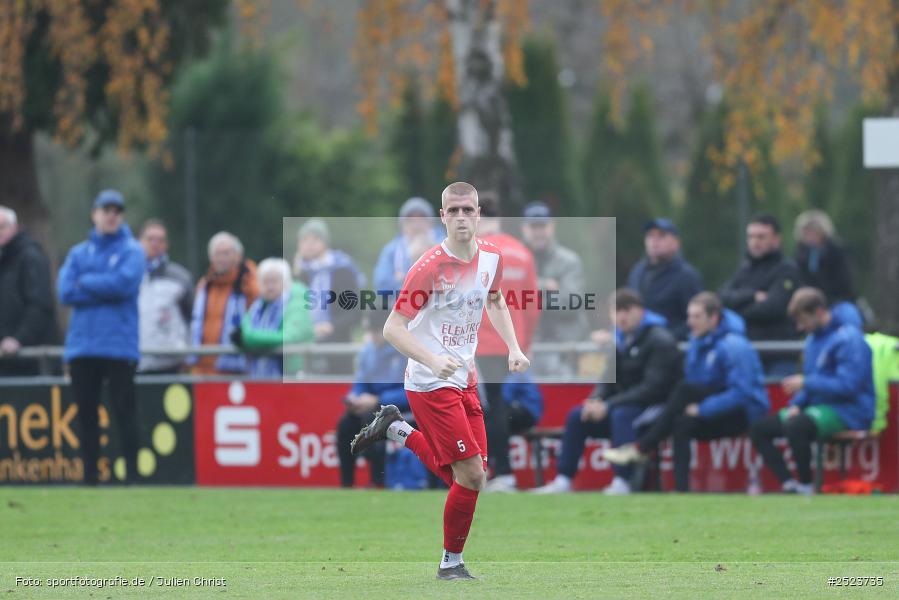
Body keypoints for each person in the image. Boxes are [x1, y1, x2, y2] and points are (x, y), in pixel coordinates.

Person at [350, 182, 530, 580]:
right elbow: (392, 328)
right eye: (455, 211)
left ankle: (396, 429)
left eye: (469, 210)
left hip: (465, 378)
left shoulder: (491, 258)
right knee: (470, 476)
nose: (462, 217)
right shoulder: (429, 266)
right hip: (430, 382)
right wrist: (433, 359)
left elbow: (495, 299)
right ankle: (451, 564)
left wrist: (514, 346)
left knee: (471, 477)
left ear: (479, 214)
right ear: (442, 216)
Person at [605, 292, 769, 492]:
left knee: (683, 390)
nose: (690, 322)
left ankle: (642, 448)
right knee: (680, 422)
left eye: (696, 317)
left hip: (743, 413)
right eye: (689, 316)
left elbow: (742, 394)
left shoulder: (735, 345)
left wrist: (702, 409)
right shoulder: (697, 342)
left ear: (714, 317)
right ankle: (682, 491)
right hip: (713, 407)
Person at [535, 289, 681, 495]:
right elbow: (607, 379)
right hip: (623, 404)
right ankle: (563, 479)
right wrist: (595, 400)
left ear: (640, 311)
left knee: (621, 416)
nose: (621, 316)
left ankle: (623, 481)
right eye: (616, 310)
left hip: (654, 407)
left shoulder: (660, 340)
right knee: (578, 416)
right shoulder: (620, 340)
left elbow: (653, 388)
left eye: (627, 310)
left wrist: (609, 405)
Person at [57, 190, 145, 485]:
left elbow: (123, 285)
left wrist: (87, 281)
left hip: (119, 345)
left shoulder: (133, 251)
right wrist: (101, 285)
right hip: (83, 345)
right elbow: (64, 291)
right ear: (94, 213)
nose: (111, 215)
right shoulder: (78, 252)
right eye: (106, 210)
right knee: (86, 415)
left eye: (117, 211)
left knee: (124, 413)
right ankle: (90, 476)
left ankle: (132, 476)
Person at [750, 288, 874, 495]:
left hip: (850, 410)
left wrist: (807, 383)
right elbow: (811, 382)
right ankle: (790, 485)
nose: (800, 327)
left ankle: (807, 487)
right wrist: (797, 405)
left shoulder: (850, 338)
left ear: (818, 312)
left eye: (803, 320)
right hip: (818, 406)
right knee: (759, 429)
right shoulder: (813, 340)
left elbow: (849, 385)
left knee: (796, 426)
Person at [475, 194, 539, 492]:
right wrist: (522, 343)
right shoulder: (521, 252)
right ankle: (499, 471)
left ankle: (503, 472)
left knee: (491, 407)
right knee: (496, 405)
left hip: (484, 340)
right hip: (511, 341)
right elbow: (532, 303)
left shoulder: (478, 251)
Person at [335, 307, 407, 488]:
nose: (373, 337)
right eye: (370, 332)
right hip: (372, 407)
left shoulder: (405, 351)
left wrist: (378, 400)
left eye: (376, 332)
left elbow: (411, 393)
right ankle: (346, 483)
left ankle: (378, 482)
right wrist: (355, 398)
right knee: (345, 425)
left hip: (400, 410)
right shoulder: (368, 352)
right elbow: (361, 382)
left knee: (373, 422)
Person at [720, 214, 800, 375]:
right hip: (748, 356)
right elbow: (720, 299)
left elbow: (773, 308)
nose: (755, 242)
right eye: (751, 236)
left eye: (761, 237)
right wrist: (751, 296)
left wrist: (737, 308)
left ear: (777, 239)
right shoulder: (744, 270)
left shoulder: (787, 270)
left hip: (779, 355)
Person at [520, 201, 587, 378]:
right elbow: (506, 300)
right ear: (524, 229)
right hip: (527, 348)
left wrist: (527, 298)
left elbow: (572, 302)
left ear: (552, 227)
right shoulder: (517, 259)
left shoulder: (569, 261)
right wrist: (543, 286)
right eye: (533, 227)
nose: (538, 232)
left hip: (563, 349)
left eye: (542, 226)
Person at [293, 219, 365, 375]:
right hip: (305, 344)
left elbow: (354, 312)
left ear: (325, 242)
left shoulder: (342, 269)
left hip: (336, 345)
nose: (309, 245)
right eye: (305, 240)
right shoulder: (301, 273)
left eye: (315, 239)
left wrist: (331, 326)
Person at [231, 258, 314, 378]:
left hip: (292, 374)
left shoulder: (297, 304)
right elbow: (243, 329)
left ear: (286, 282)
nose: (270, 287)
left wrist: (249, 339)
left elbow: (288, 338)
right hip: (260, 375)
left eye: (274, 281)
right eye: (265, 281)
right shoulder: (257, 306)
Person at [189, 232, 258, 375]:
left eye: (226, 253)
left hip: (236, 370)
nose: (222, 259)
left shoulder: (249, 284)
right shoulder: (205, 285)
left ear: (238, 256)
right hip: (203, 368)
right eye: (217, 254)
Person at [0, 205, 57, 376]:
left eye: (2, 227)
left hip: (30, 359)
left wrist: (19, 338)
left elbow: (40, 304)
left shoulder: (31, 257)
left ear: (15, 227)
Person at [626, 218, 703, 340]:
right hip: (640, 349)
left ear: (676, 243)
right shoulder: (637, 272)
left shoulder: (686, 276)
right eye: (650, 236)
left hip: (672, 350)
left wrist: (667, 337)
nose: (654, 241)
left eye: (661, 236)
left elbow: (697, 320)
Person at [137, 219, 193, 374]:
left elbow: (190, 317)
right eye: (150, 239)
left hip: (170, 364)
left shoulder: (180, 277)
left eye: (160, 240)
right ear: (139, 242)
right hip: (134, 362)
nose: (155, 244)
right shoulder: (127, 275)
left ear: (166, 245)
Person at [793, 210, 862, 329]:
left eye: (813, 233)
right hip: (810, 304)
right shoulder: (802, 254)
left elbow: (845, 282)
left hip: (837, 301)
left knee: (848, 317)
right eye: (807, 233)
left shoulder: (836, 252)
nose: (810, 237)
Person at [372, 197, 441, 294]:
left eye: (421, 219)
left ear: (430, 223)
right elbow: (380, 287)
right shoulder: (391, 250)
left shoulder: (445, 245)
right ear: (402, 224)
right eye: (410, 220)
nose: (416, 226)